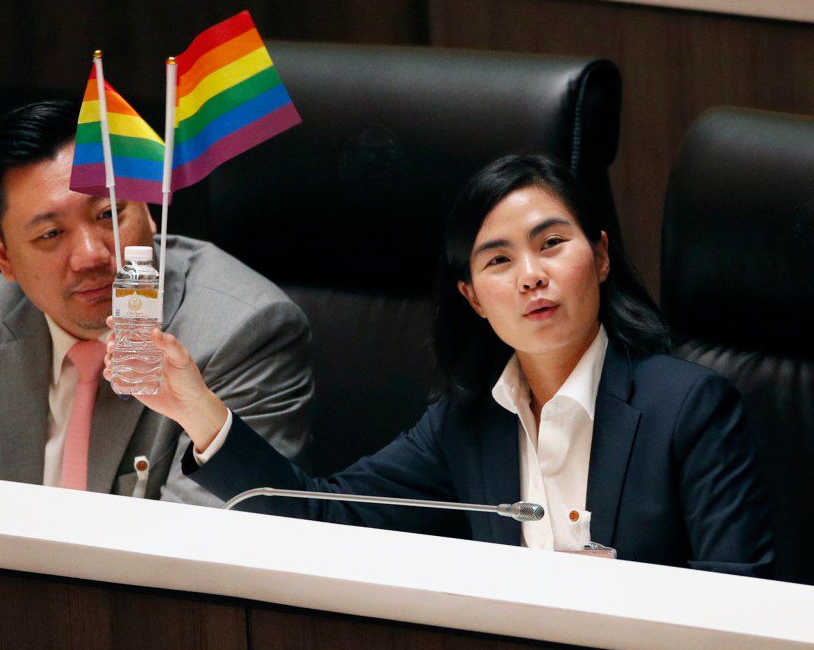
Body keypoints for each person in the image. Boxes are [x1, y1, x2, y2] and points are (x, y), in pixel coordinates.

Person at [105, 154, 775, 575]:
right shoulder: (466, 424)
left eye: (552, 244)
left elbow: (738, 596)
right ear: (473, 298)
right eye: (498, 260)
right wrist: (199, 409)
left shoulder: (690, 407)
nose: (532, 277)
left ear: (600, 257)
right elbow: (322, 518)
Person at [0, 100, 314, 505]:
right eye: (51, 234)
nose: (92, 255)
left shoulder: (241, 332)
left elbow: (202, 549)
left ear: (150, 214)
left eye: (110, 215)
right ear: (4, 256)